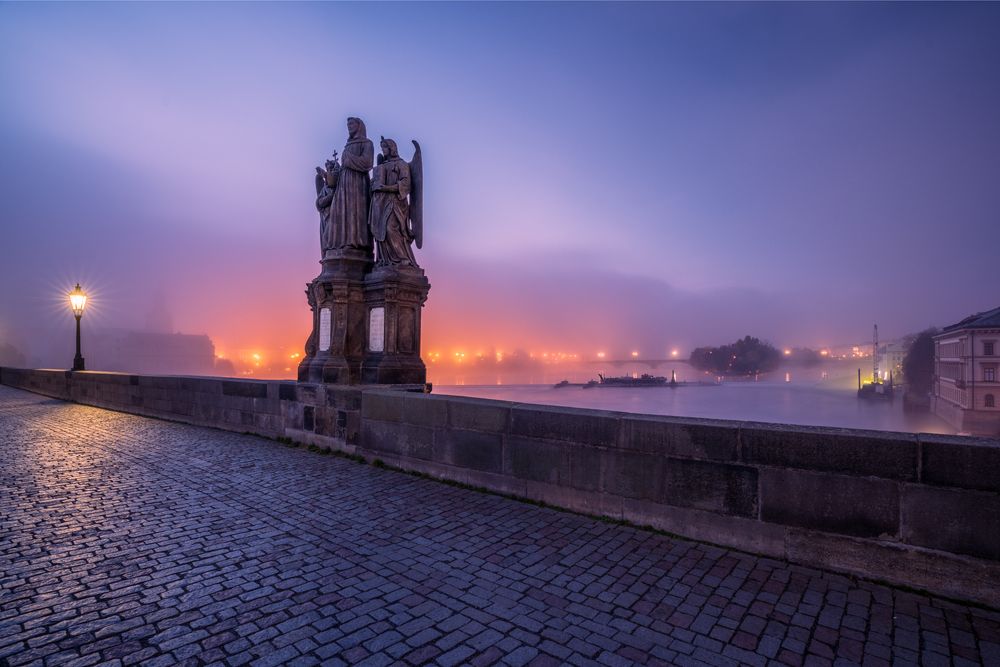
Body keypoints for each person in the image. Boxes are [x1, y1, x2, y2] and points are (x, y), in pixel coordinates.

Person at [326, 117, 373, 253]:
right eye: (348, 125)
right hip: (344, 182)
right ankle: (342, 242)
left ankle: (356, 242)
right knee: (340, 210)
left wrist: (348, 159)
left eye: (352, 124)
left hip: (357, 183)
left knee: (354, 210)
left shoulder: (367, 143)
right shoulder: (347, 145)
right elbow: (345, 164)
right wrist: (337, 168)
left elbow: (367, 163)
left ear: (359, 126)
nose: (349, 127)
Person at [370, 137, 417, 267]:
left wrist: (386, 188)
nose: (383, 150)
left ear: (391, 148)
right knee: (380, 231)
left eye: (385, 147)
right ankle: (384, 260)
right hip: (380, 204)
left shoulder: (402, 164)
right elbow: (374, 184)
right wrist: (373, 185)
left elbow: (405, 185)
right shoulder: (381, 166)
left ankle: (402, 258)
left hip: (395, 203)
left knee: (391, 228)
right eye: (382, 148)